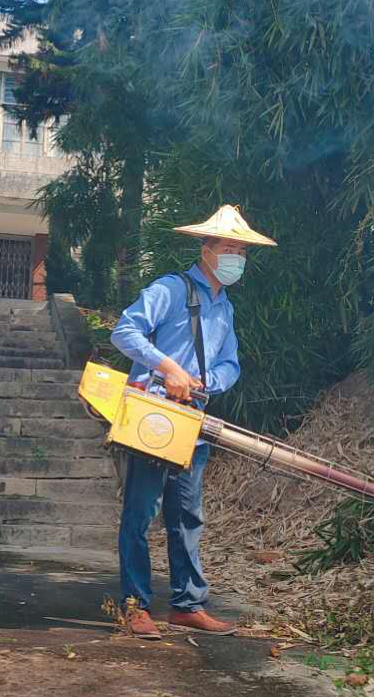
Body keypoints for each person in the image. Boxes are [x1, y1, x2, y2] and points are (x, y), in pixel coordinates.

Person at [109, 204, 277, 639]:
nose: (236, 257)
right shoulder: (170, 289)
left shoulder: (225, 307)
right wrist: (168, 367)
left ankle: (188, 605)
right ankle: (134, 606)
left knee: (187, 516)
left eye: (241, 251)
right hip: (153, 418)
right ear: (206, 250)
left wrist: (206, 382)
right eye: (228, 248)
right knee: (140, 513)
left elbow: (231, 364)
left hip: (193, 424)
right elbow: (124, 331)